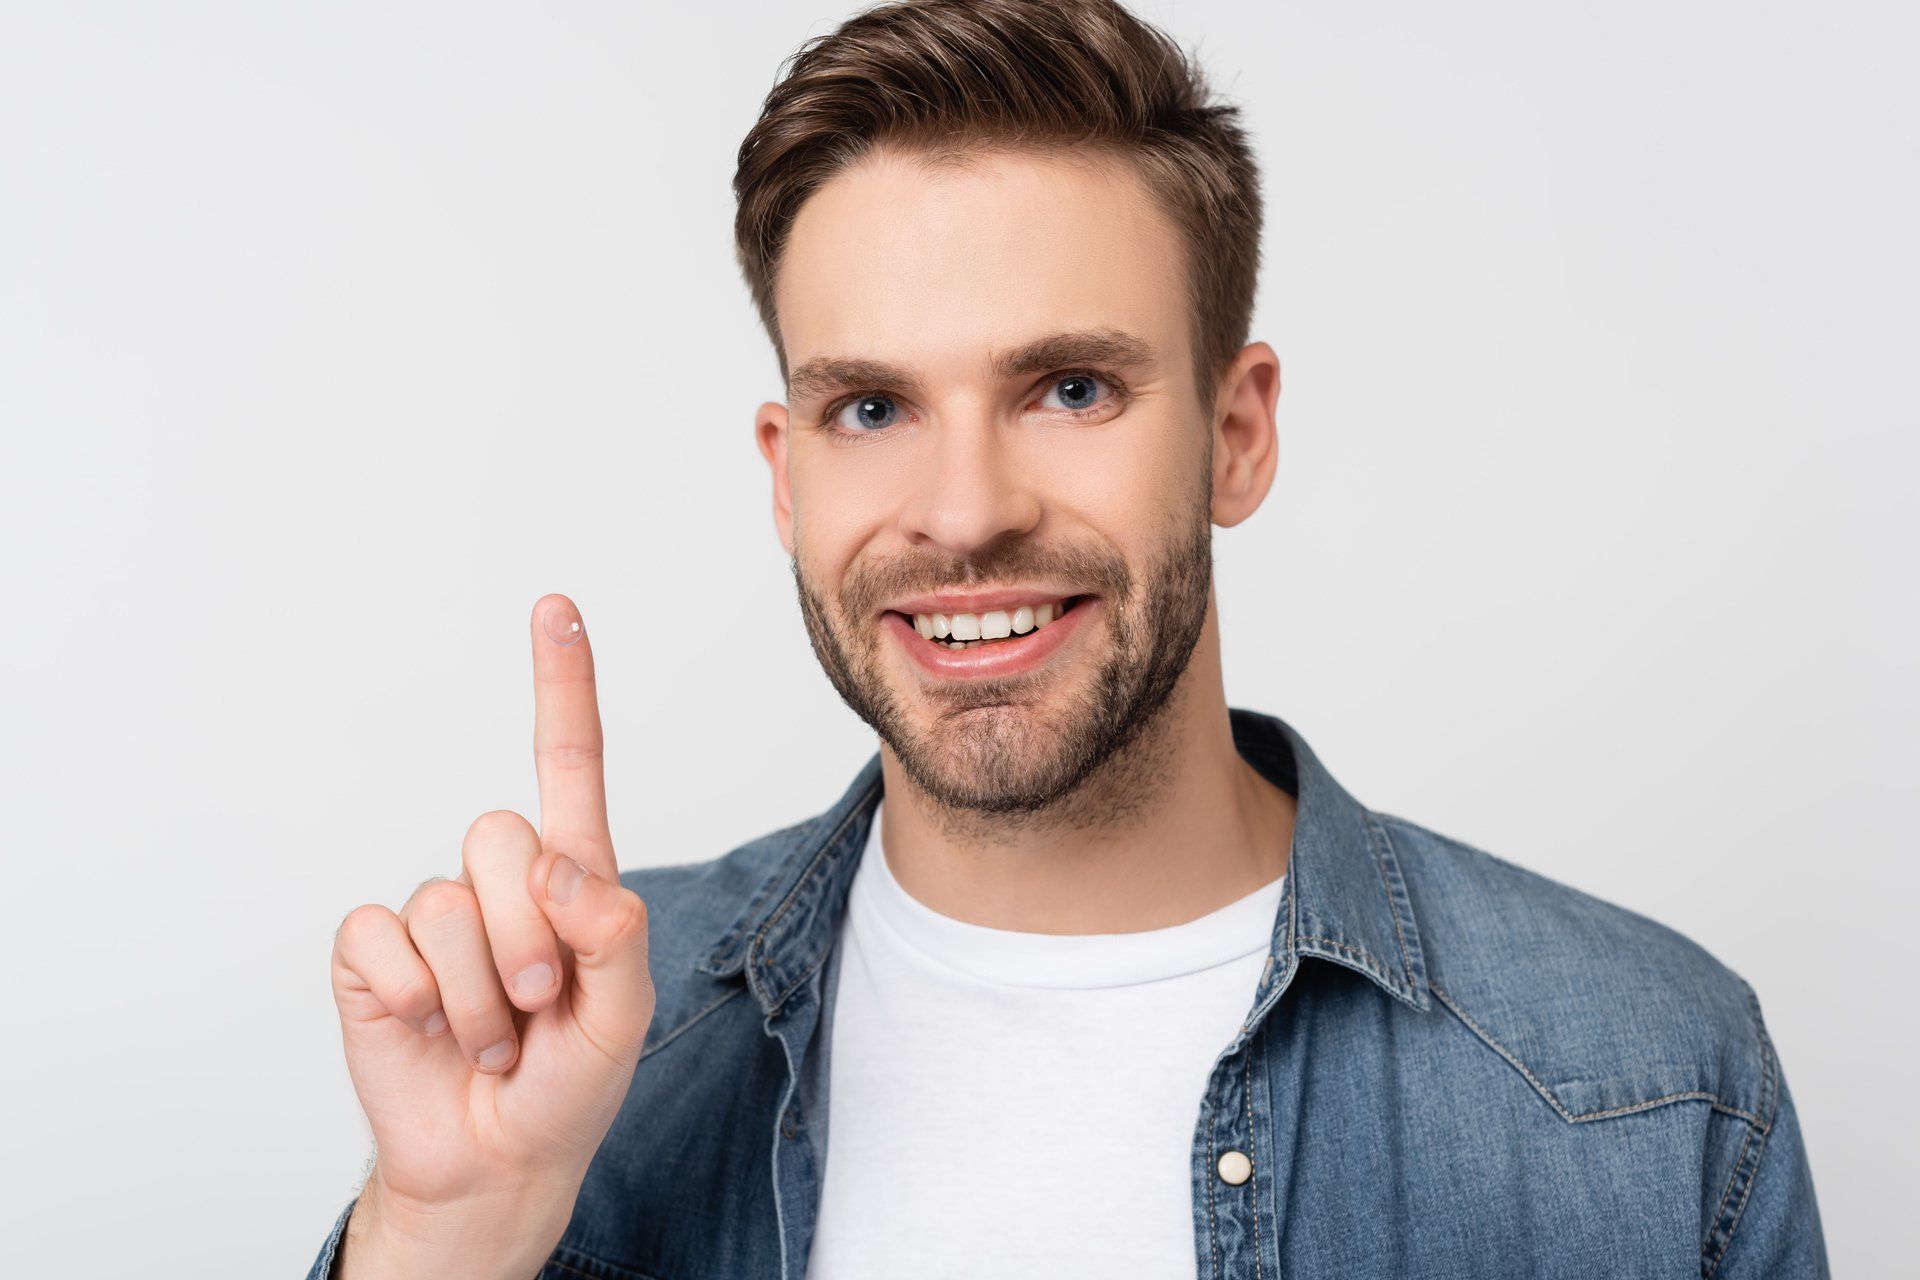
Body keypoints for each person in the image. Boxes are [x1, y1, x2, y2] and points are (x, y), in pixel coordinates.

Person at [306, 2, 1827, 1276]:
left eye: (1072, 390)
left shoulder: (1649, 1085)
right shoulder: (581, 1050)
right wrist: (449, 1233)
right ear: (786, 473)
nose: (962, 514)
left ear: (1237, 435)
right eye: (873, 408)